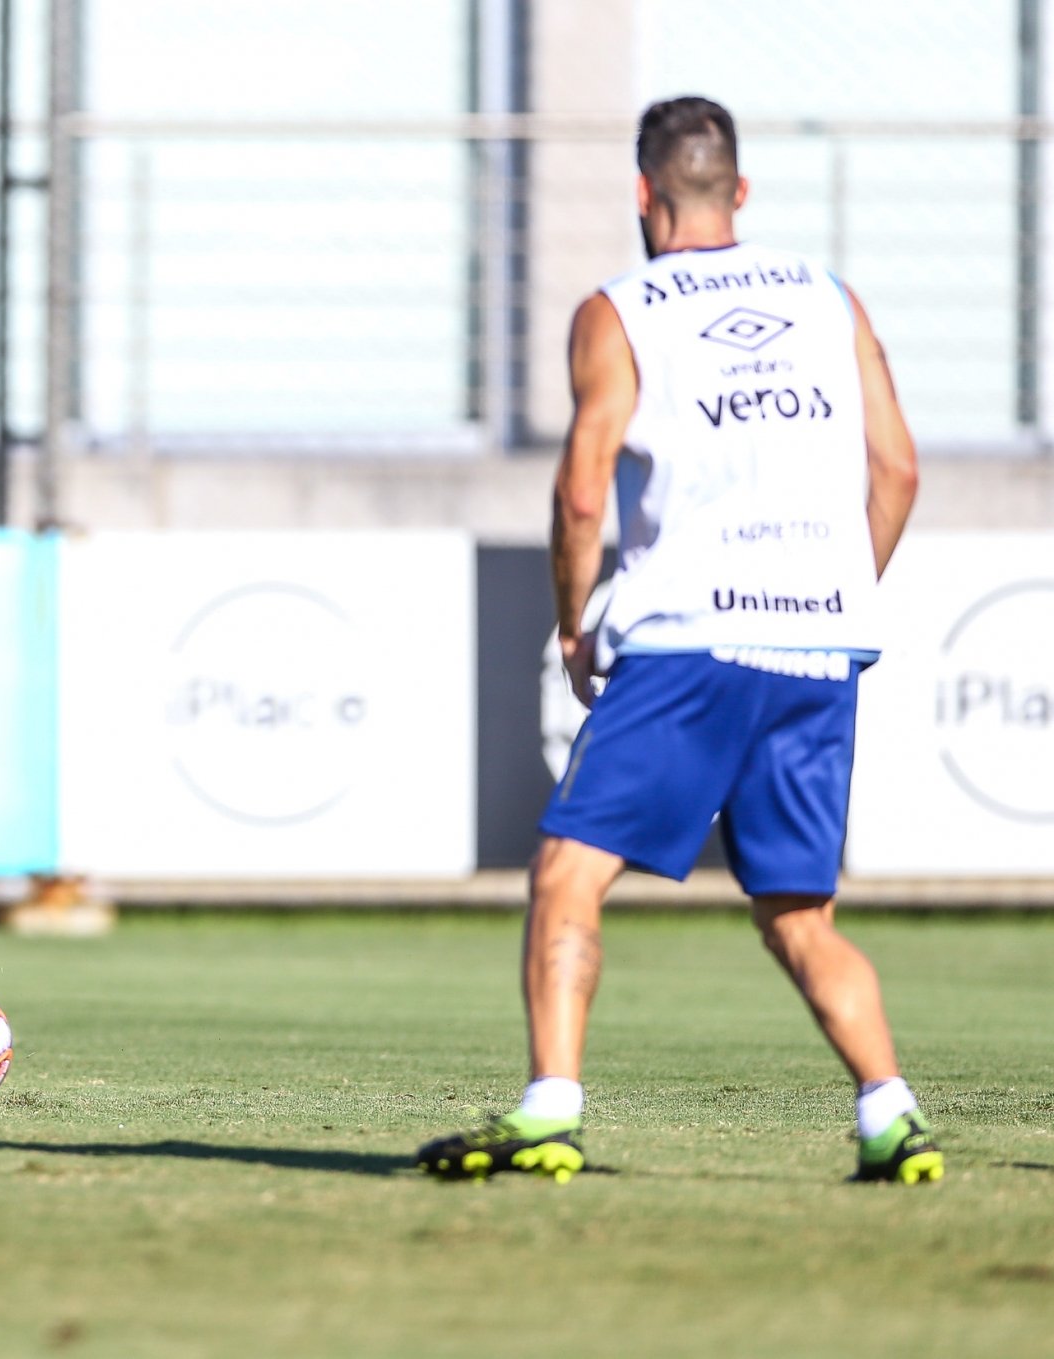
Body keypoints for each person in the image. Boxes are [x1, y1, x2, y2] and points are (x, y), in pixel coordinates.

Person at [417, 97, 935, 1183]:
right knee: (800, 910)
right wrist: (837, 591)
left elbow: (580, 489)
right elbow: (896, 471)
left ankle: (551, 1109)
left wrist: (572, 619)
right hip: (821, 637)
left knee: (565, 874)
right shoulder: (831, 299)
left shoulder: (620, 310)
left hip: (693, 631)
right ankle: (891, 1116)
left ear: (645, 198)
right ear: (739, 192)